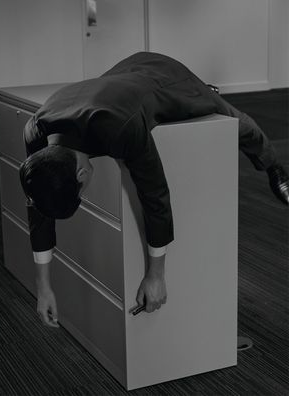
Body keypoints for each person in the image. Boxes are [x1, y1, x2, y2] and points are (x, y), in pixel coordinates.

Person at [19, 51, 289, 327]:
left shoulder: (118, 127)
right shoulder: (34, 131)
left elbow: (155, 194)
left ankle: (273, 166)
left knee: (233, 120)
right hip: (120, 82)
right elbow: (39, 205)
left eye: (80, 191)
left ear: (81, 173)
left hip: (164, 76)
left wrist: (156, 275)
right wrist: (43, 288)